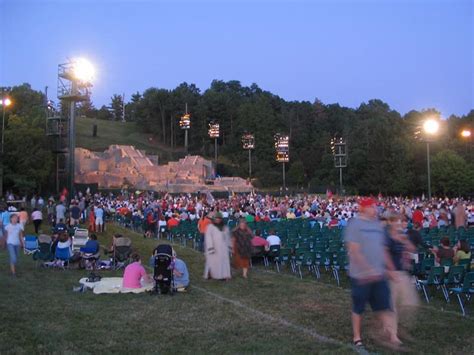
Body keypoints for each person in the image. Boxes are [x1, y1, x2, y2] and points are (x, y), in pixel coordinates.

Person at [344, 197, 399, 348]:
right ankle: (357, 337)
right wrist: (368, 269)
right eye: (372, 206)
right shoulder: (355, 225)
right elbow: (354, 251)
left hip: (379, 273)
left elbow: (383, 249)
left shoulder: (377, 225)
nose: (375, 209)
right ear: (363, 208)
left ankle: (392, 335)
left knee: (384, 305)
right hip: (361, 275)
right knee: (358, 307)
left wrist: (390, 268)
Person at [384, 213, 419, 342]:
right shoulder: (387, 237)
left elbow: (412, 249)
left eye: (401, 222)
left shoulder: (401, 236)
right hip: (390, 274)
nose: (399, 224)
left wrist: (405, 241)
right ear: (391, 222)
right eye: (397, 221)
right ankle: (393, 334)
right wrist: (391, 270)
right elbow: (384, 253)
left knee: (409, 303)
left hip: (402, 273)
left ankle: (392, 327)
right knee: (392, 305)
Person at [204, 212, 231, 280]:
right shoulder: (210, 227)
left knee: (223, 262)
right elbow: (208, 237)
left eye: (219, 218)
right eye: (216, 218)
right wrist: (210, 247)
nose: (218, 220)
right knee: (212, 261)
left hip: (223, 248)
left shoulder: (225, 227)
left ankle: (223, 275)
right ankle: (210, 274)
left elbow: (228, 237)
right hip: (214, 247)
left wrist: (229, 246)